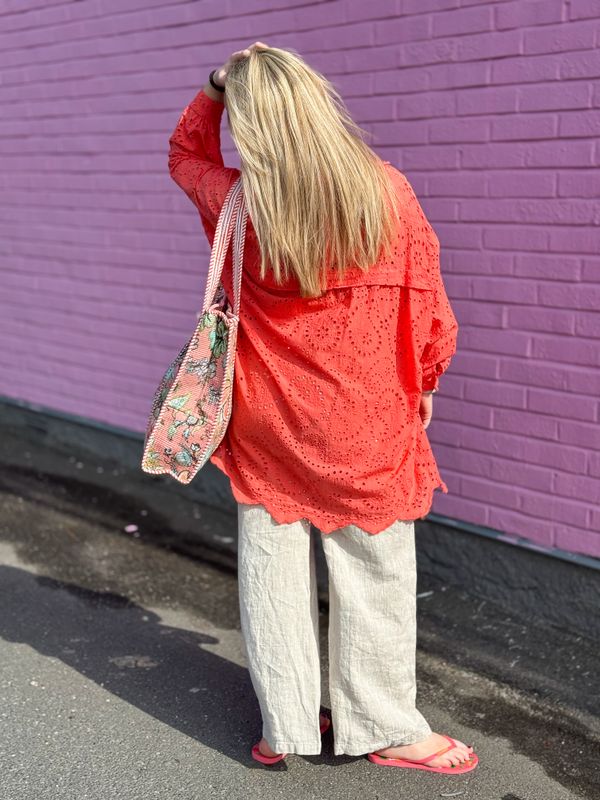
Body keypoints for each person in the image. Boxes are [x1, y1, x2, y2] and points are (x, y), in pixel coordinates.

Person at [167, 42, 477, 774]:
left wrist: (213, 88)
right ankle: (385, 725)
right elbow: (429, 299)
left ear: (250, 122)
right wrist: (427, 380)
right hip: (367, 418)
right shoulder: (386, 191)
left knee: (270, 566)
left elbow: (183, 154)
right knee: (375, 570)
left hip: (267, 415)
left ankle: (286, 722)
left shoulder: (239, 201)